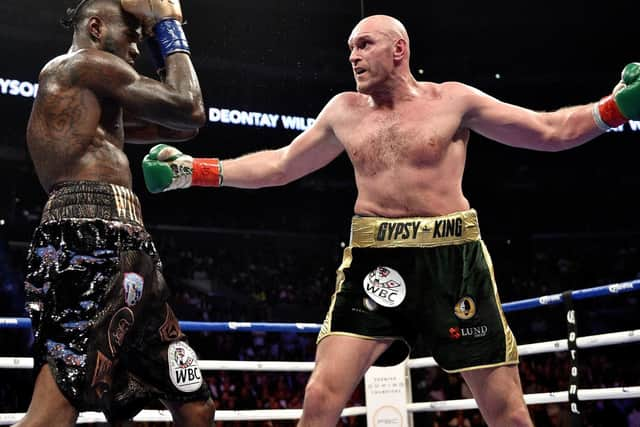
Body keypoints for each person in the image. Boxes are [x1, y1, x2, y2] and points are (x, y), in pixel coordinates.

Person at [141, 14, 640, 427]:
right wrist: (193, 172)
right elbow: (280, 165)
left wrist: (613, 109)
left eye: (364, 44)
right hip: (375, 262)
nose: (352, 56)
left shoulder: (454, 101)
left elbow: (548, 130)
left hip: (453, 260)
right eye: (349, 48)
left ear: (399, 49)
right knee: (320, 395)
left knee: (506, 410)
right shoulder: (345, 110)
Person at [18, 0, 215, 426]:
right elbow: (188, 104)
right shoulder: (79, 66)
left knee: (195, 405)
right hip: (87, 240)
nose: (136, 51)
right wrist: (167, 25)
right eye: (131, 36)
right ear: (95, 27)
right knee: (53, 413)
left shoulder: (98, 98)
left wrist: (158, 29)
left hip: (130, 245)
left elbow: (185, 125)